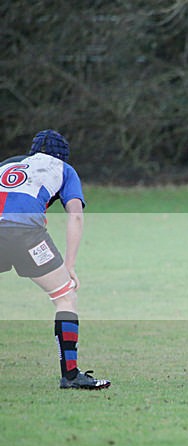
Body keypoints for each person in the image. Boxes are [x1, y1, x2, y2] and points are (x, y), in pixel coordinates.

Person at [0, 130, 110, 389]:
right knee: (65, 296)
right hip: (26, 234)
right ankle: (70, 376)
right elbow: (75, 215)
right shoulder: (64, 169)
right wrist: (69, 266)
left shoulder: (7, 164)